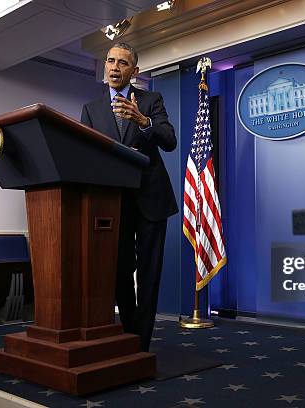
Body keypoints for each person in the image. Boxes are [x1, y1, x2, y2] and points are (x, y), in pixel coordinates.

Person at [80, 43, 178, 352]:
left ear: (133, 71)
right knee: (120, 272)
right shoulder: (91, 109)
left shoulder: (151, 100)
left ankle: (141, 345)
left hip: (151, 199)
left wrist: (142, 121)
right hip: (113, 202)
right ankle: (128, 335)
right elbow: (85, 153)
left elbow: (170, 141)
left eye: (122, 63)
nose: (114, 67)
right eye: (110, 60)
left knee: (149, 275)